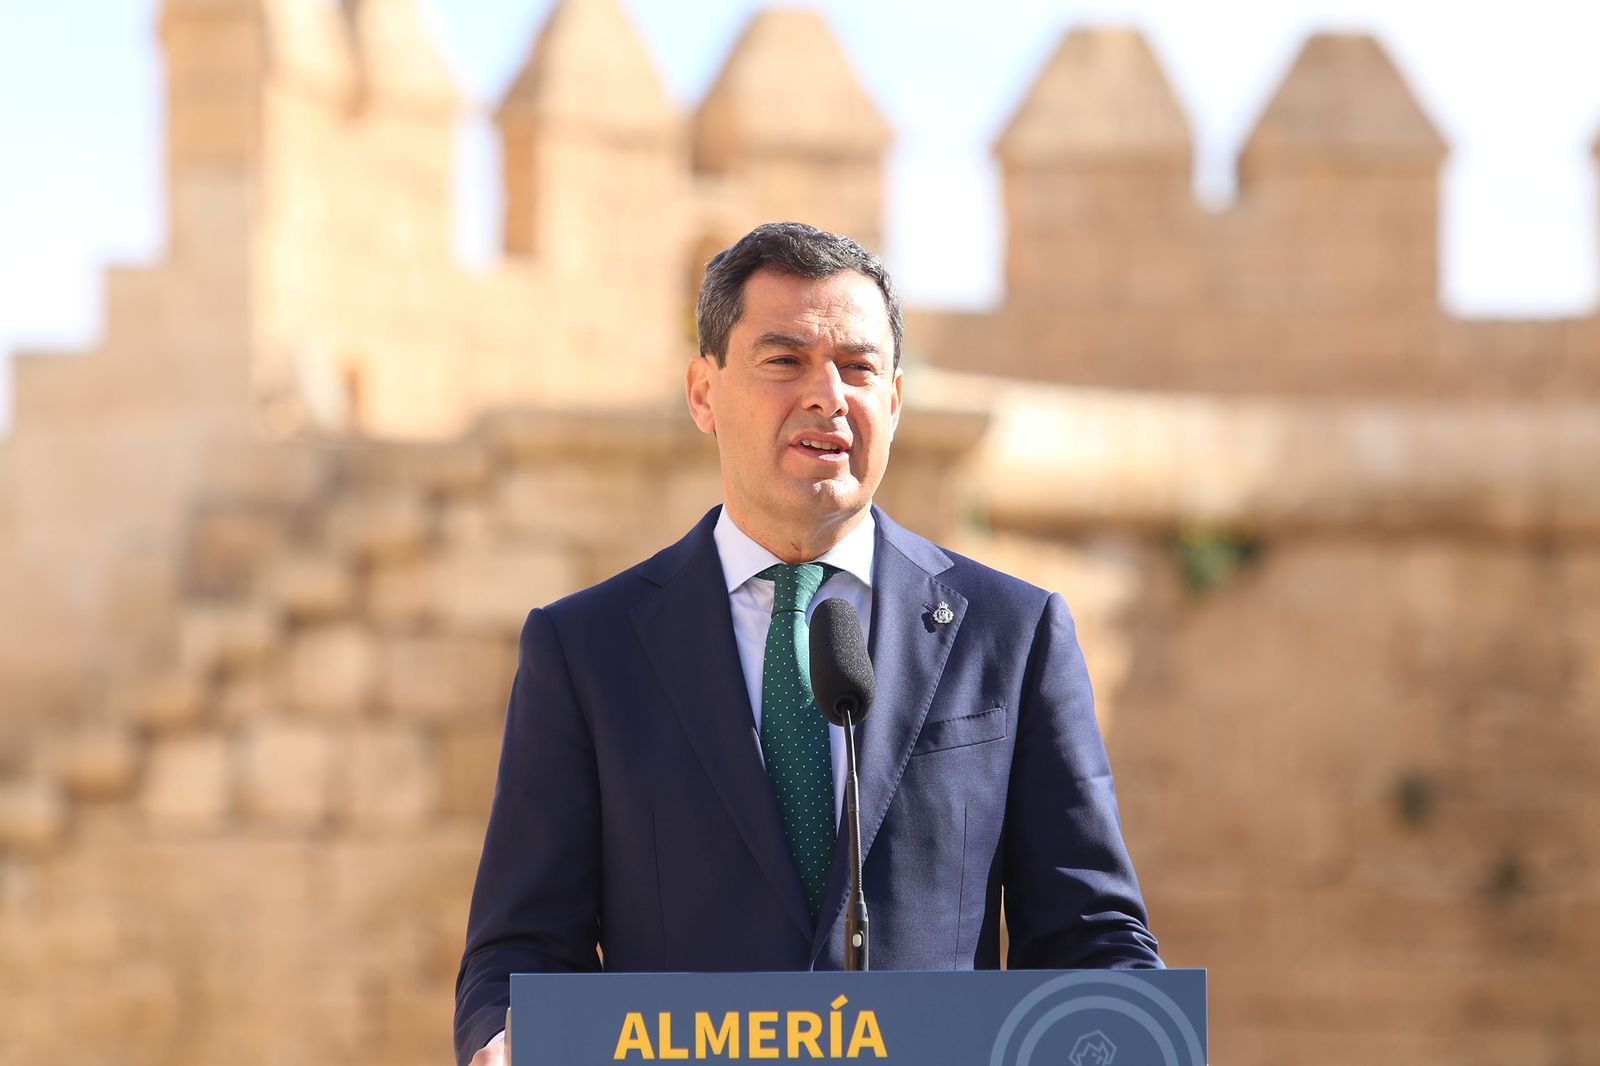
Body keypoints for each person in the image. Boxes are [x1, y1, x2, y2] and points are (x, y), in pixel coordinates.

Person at [454, 222, 1161, 1066]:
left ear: (894, 400)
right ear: (703, 392)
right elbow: (521, 947)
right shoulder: (585, 650)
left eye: (858, 367)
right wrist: (502, 1041)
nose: (828, 395)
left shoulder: (1014, 634)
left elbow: (1093, 939)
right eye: (784, 361)